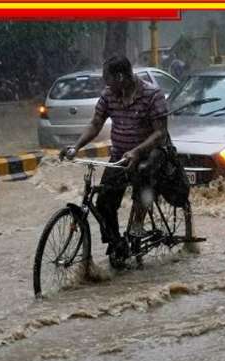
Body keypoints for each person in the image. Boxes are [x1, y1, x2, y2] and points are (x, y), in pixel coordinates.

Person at [60, 55, 170, 260]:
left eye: (107, 78)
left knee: (143, 178)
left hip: (149, 153)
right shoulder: (109, 94)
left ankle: (138, 224)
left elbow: (160, 133)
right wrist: (76, 147)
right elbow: (95, 124)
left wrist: (137, 152)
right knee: (104, 203)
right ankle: (117, 243)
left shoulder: (152, 94)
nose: (105, 82)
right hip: (120, 156)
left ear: (120, 77)